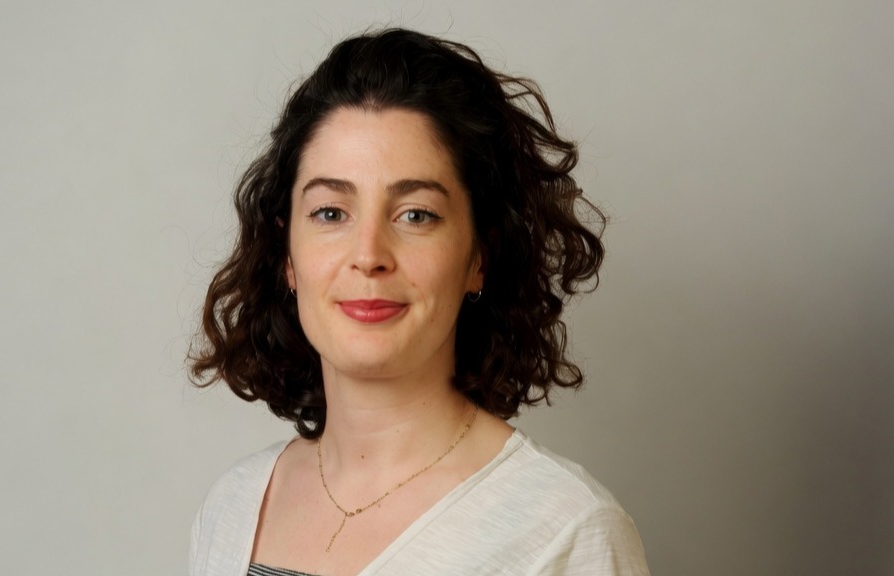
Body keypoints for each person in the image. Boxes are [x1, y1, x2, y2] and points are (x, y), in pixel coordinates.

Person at [188, 28, 649, 576]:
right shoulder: (232, 505)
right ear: (287, 254)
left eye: (416, 215)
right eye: (331, 213)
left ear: (479, 256)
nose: (369, 256)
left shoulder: (567, 531)